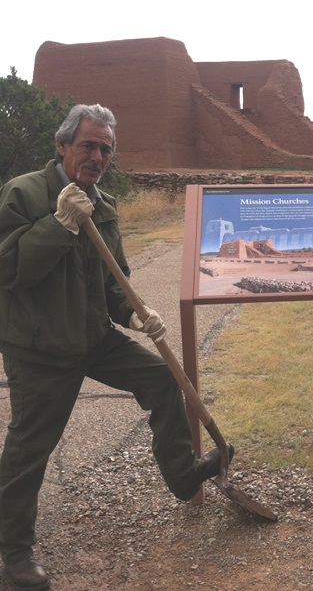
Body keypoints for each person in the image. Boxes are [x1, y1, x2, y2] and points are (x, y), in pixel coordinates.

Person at [0, 104, 232, 590]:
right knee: (31, 450)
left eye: (106, 148)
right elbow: (10, 270)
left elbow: (112, 285)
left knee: (163, 379)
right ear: (63, 146)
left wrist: (134, 316)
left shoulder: (101, 205)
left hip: (92, 338)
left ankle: (184, 475)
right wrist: (58, 224)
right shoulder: (24, 193)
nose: (97, 155)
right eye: (88, 144)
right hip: (40, 347)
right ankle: (15, 554)